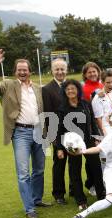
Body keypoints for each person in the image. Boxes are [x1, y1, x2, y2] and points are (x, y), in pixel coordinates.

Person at [0, 49, 50, 218]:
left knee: (39, 170)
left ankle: (36, 199)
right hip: (20, 133)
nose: (22, 72)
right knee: (23, 173)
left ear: (29, 71)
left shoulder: (37, 88)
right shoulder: (7, 85)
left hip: (38, 132)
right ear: (15, 71)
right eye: (19, 69)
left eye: (24, 69)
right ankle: (29, 209)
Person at [71, 114, 112, 218]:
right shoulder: (111, 137)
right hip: (111, 174)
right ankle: (81, 215)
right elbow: (98, 148)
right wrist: (82, 152)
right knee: (111, 199)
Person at [56, 79, 105, 210]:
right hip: (72, 145)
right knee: (75, 172)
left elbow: (93, 123)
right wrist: (60, 148)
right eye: (68, 89)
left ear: (78, 90)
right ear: (65, 92)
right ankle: (80, 200)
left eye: (73, 88)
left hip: (89, 142)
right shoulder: (62, 108)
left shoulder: (85, 104)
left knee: (96, 168)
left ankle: (102, 195)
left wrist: (96, 137)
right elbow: (59, 130)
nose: (71, 91)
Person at [42, 58, 70, 205]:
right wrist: (54, 139)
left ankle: (73, 188)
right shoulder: (47, 89)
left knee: (74, 162)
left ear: (66, 70)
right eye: (57, 69)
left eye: (62, 69)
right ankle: (58, 194)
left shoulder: (70, 86)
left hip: (73, 132)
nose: (60, 72)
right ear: (52, 71)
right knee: (59, 163)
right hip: (58, 134)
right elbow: (48, 116)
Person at [91, 70, 112, 136]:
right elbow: (99, 119)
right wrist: (105, 135)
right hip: (109, 130)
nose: (111, 84)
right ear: (102, 82)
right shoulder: (97, 99)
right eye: (108, 82)